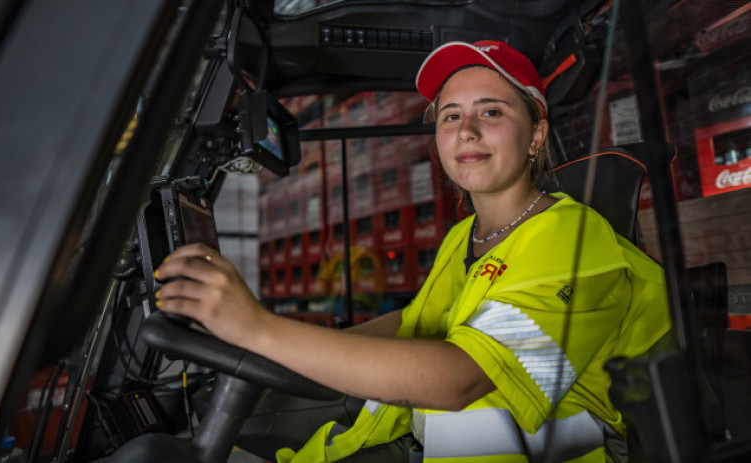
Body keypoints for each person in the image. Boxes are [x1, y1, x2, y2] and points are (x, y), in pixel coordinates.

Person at [154, 40, 672, 462]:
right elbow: (415, 321)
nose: (466, 130)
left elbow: (462, 381)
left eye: (491, 111)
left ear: (536, 135)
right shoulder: (463, 235)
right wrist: (285, 346)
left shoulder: (569, 237)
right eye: (450, 117)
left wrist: (257, 329)